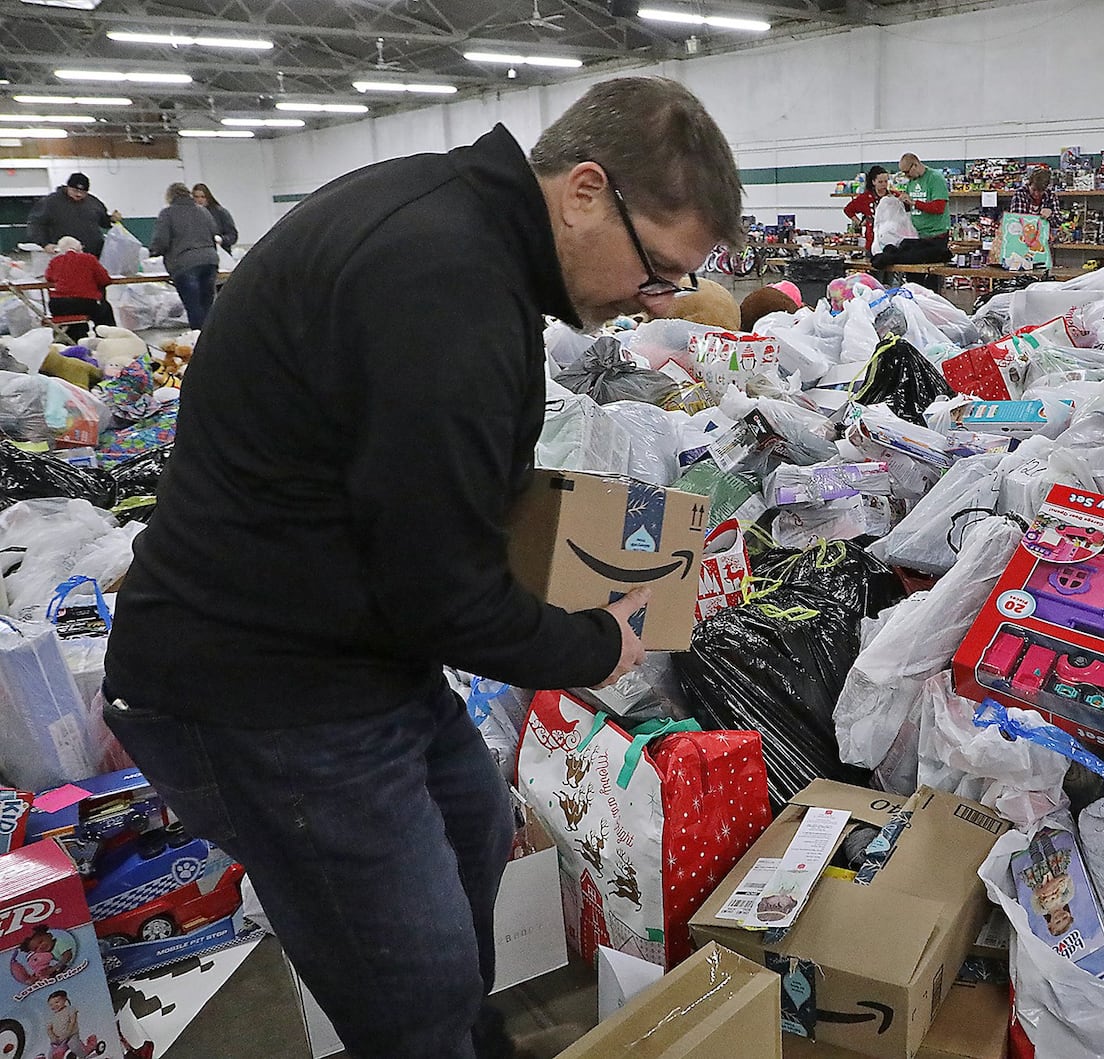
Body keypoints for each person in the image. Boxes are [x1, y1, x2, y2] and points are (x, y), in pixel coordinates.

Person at [101, 76, 741, 1059]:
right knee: (412, 976)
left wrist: (594, 536)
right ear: (583, 191)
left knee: (474, 826)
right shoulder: (446, 283)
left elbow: (440, 479)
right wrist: (594, 641)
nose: (644, 305)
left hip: (348, 647)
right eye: (656, 272)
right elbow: (440, 592)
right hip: (260, 688)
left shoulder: (456, 226)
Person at [149, 183, 219, 330]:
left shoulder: (167, 213)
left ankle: (198, 342)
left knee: (194, 307)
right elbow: (214, 231)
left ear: (170, 196)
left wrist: (153, 251)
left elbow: (161, 240)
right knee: (207, 306)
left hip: (184, 264)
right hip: (210, 261)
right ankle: (211, 341)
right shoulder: (203, 211)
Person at [870, 152, 952, 270]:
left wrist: (914, 203)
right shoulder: (912, 182)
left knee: (929, 276)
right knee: (911, 272)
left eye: (907, 172)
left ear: (915, 165)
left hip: (935, 237)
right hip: (916, 237)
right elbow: (908, 209)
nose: (906, 176)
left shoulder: (935, 178)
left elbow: (939, 208)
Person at [26, 173, 119, 258]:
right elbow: (36, 224)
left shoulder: (93, 202)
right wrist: (45, 244)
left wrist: (111, 219)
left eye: (83, 192)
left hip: (93, 254)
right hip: (64, 255)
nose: (79, 194)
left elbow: (103, 222)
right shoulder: (50, 202)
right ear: (68, 187)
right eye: (75, 190)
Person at [43, 236, 116, 335]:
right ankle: (107, 337)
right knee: (105, 311)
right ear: (78, 248)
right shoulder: (88, 258)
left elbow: (49, 277)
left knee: (74, 322)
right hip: (84, 301)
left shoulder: (55, 261)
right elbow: (105, 279)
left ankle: (74, 339)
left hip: (58, 305)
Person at [843, 165, 888, 254]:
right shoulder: (866, 198)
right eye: (880, 182)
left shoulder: (893, 196)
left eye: (886, 181)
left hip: (890, 242)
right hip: (872, 243)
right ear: (873, 182)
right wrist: (859, 222)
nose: (884, 185)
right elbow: (848, 209)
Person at [192, 183, 239, 254]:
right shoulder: (190, 214)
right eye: (196, 197)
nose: (199, 200)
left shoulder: (220, 212)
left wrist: (222, 239)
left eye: (202, 197)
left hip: (219, 252)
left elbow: (233, 236)